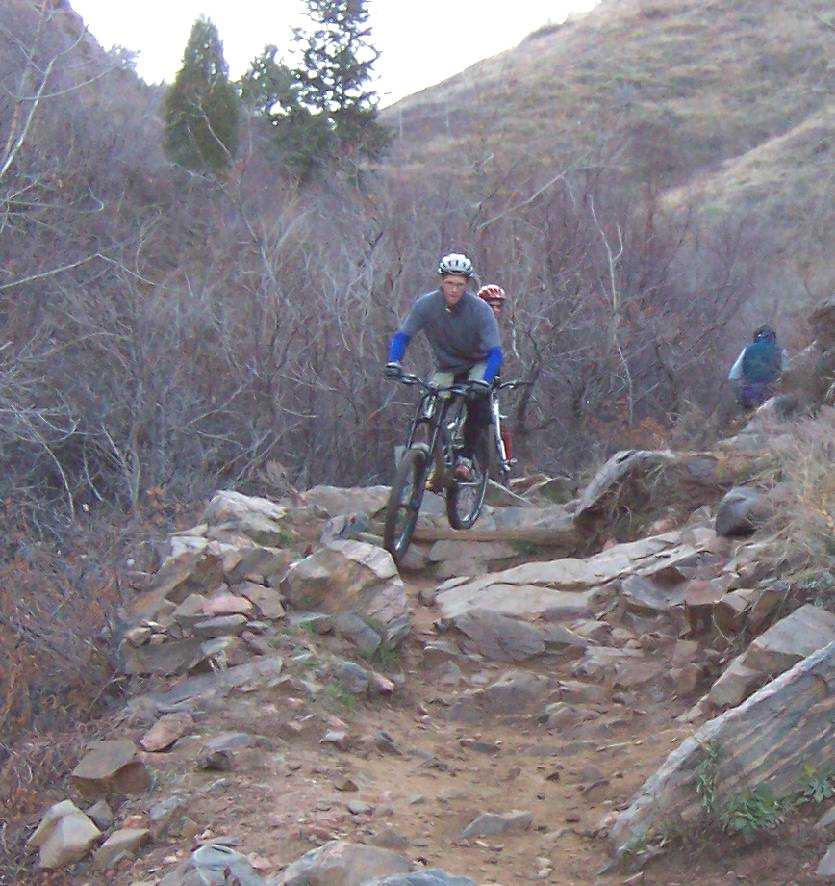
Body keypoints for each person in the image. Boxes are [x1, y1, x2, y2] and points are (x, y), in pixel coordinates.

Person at [385, 253, 502, 481]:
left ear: (467, 284)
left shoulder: (480, 310)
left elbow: (495, 352)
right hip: (448, 366)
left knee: (477, 402)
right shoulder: (427, 305)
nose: (454, 290)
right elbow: (403, 335)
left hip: (479, 363)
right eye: (449, 283)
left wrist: (484, 381)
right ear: (441, 281)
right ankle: (432, 458)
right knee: (431, 398)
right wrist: (394, 361)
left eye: (459, 284)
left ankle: (465, 458)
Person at [728, 325, 788, 410]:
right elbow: (787, 375)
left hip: (751, 394)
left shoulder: (747, 351)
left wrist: (740, 398)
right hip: (772, 395)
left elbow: (733, 376)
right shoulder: (781, 351)